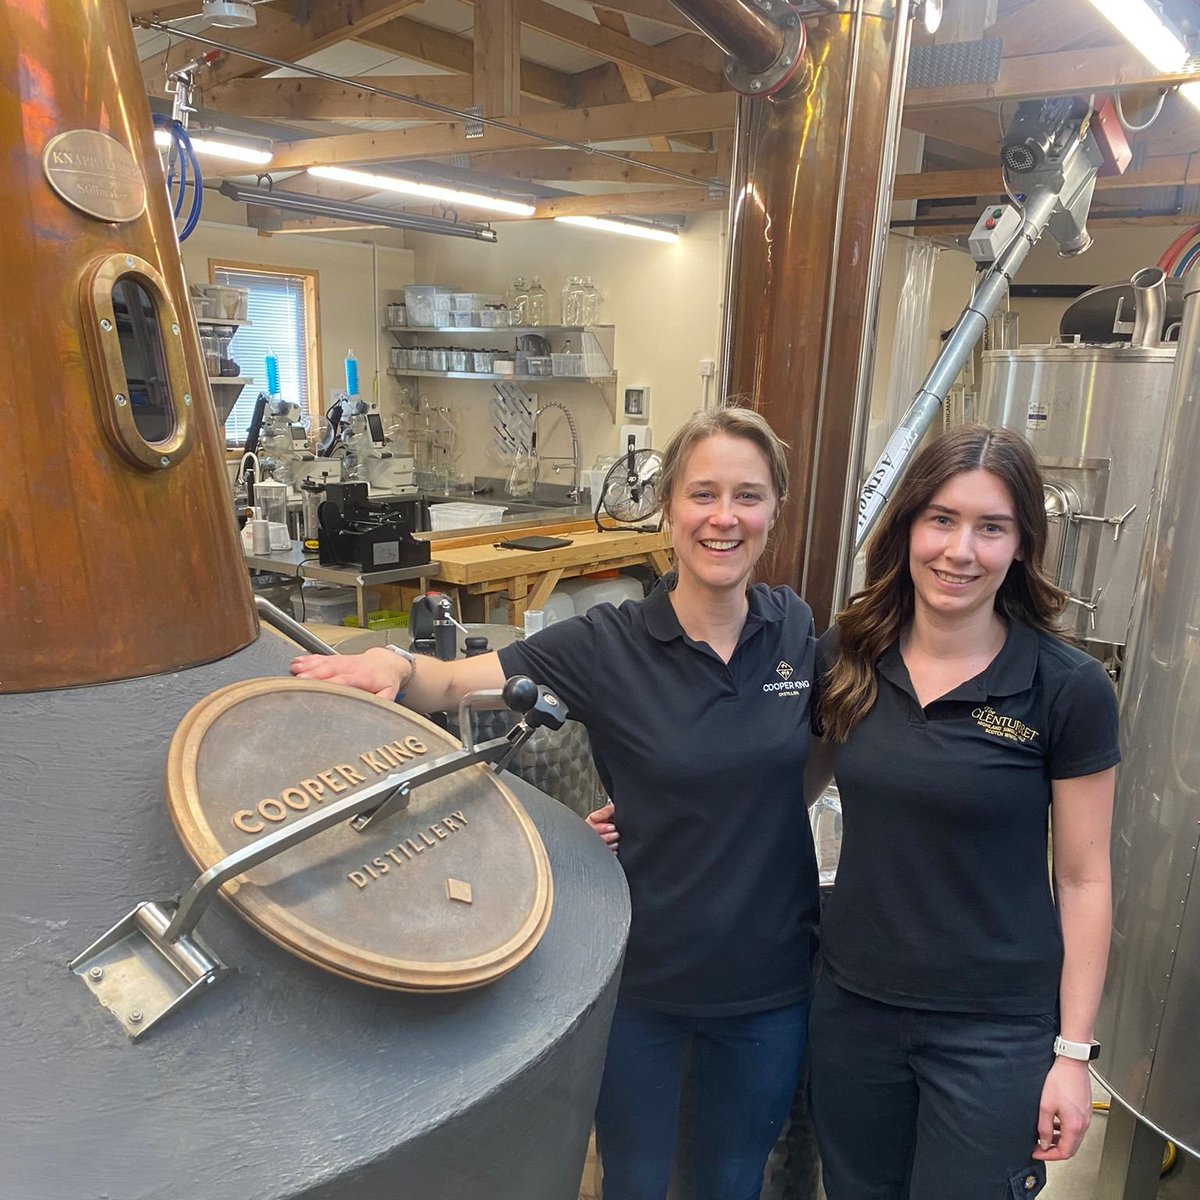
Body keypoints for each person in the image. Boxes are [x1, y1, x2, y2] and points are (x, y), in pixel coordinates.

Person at [291, 407, 822, 1200]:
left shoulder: (798, 631)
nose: (723, 517)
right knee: (635, 1183)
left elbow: (803, 768)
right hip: (642, 980)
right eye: (702, 493)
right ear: (669, 508)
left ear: (774, 510)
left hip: (769, 983)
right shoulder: (606, 644)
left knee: (733, 1181)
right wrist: (395, 666)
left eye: (747, 496)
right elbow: (460, 679)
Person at [807, 424, 1119, 1200]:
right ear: (909, 526)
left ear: (1021, 546)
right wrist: (651, 810)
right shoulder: (848, 654)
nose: (960, 550)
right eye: (941, 519)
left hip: (993, 1033)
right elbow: (783, 789)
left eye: (991, 527)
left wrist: (1072, 1057)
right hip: (855, 1011)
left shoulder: (1067, 687)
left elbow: (1083, 880)